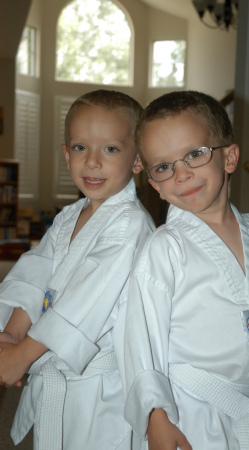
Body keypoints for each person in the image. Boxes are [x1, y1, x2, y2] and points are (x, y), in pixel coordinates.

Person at [123, 90, 249, 450]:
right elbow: (140, 339)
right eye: (164, 166)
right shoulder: (164, 248)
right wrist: (155, 415)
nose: (182, 174)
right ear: (155, 184)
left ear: (230, 157)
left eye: (194, 154)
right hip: (191, 411)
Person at [0, 89, 155, 450]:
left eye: (111, 149)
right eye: (81, 147)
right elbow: (35, 273)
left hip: (99, 388)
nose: (93, 162)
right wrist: (12, 335)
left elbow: (87, 296)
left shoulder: (131, 224)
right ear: (66, 155)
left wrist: (22, 355)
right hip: (52, 363)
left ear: (137, 161)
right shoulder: (71, 215)